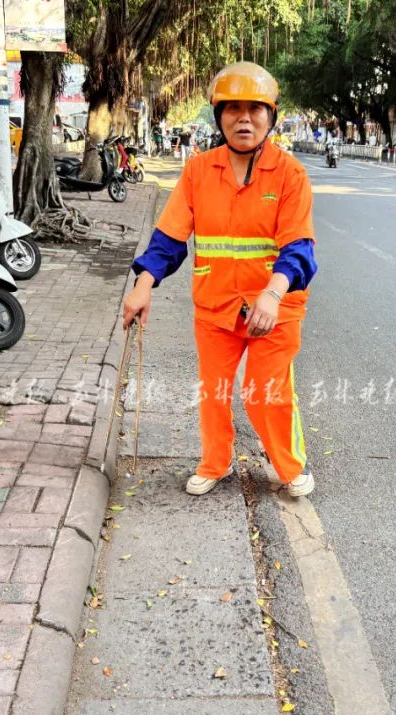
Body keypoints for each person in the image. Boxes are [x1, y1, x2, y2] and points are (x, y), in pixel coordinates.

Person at [121, 61, 318, 498]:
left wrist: (272, 294)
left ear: (271, 116)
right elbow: (169, 238)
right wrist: (143, 285)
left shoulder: (289, 175)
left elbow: (299, 249)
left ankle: (289, 464)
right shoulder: (198, 171)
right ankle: (215, 462)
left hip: (275, 308)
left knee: (264, 391)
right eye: (233, 109)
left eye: (255, 109)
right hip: (216, 304)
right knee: (213, 391)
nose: (244, 119)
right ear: (218, 115)